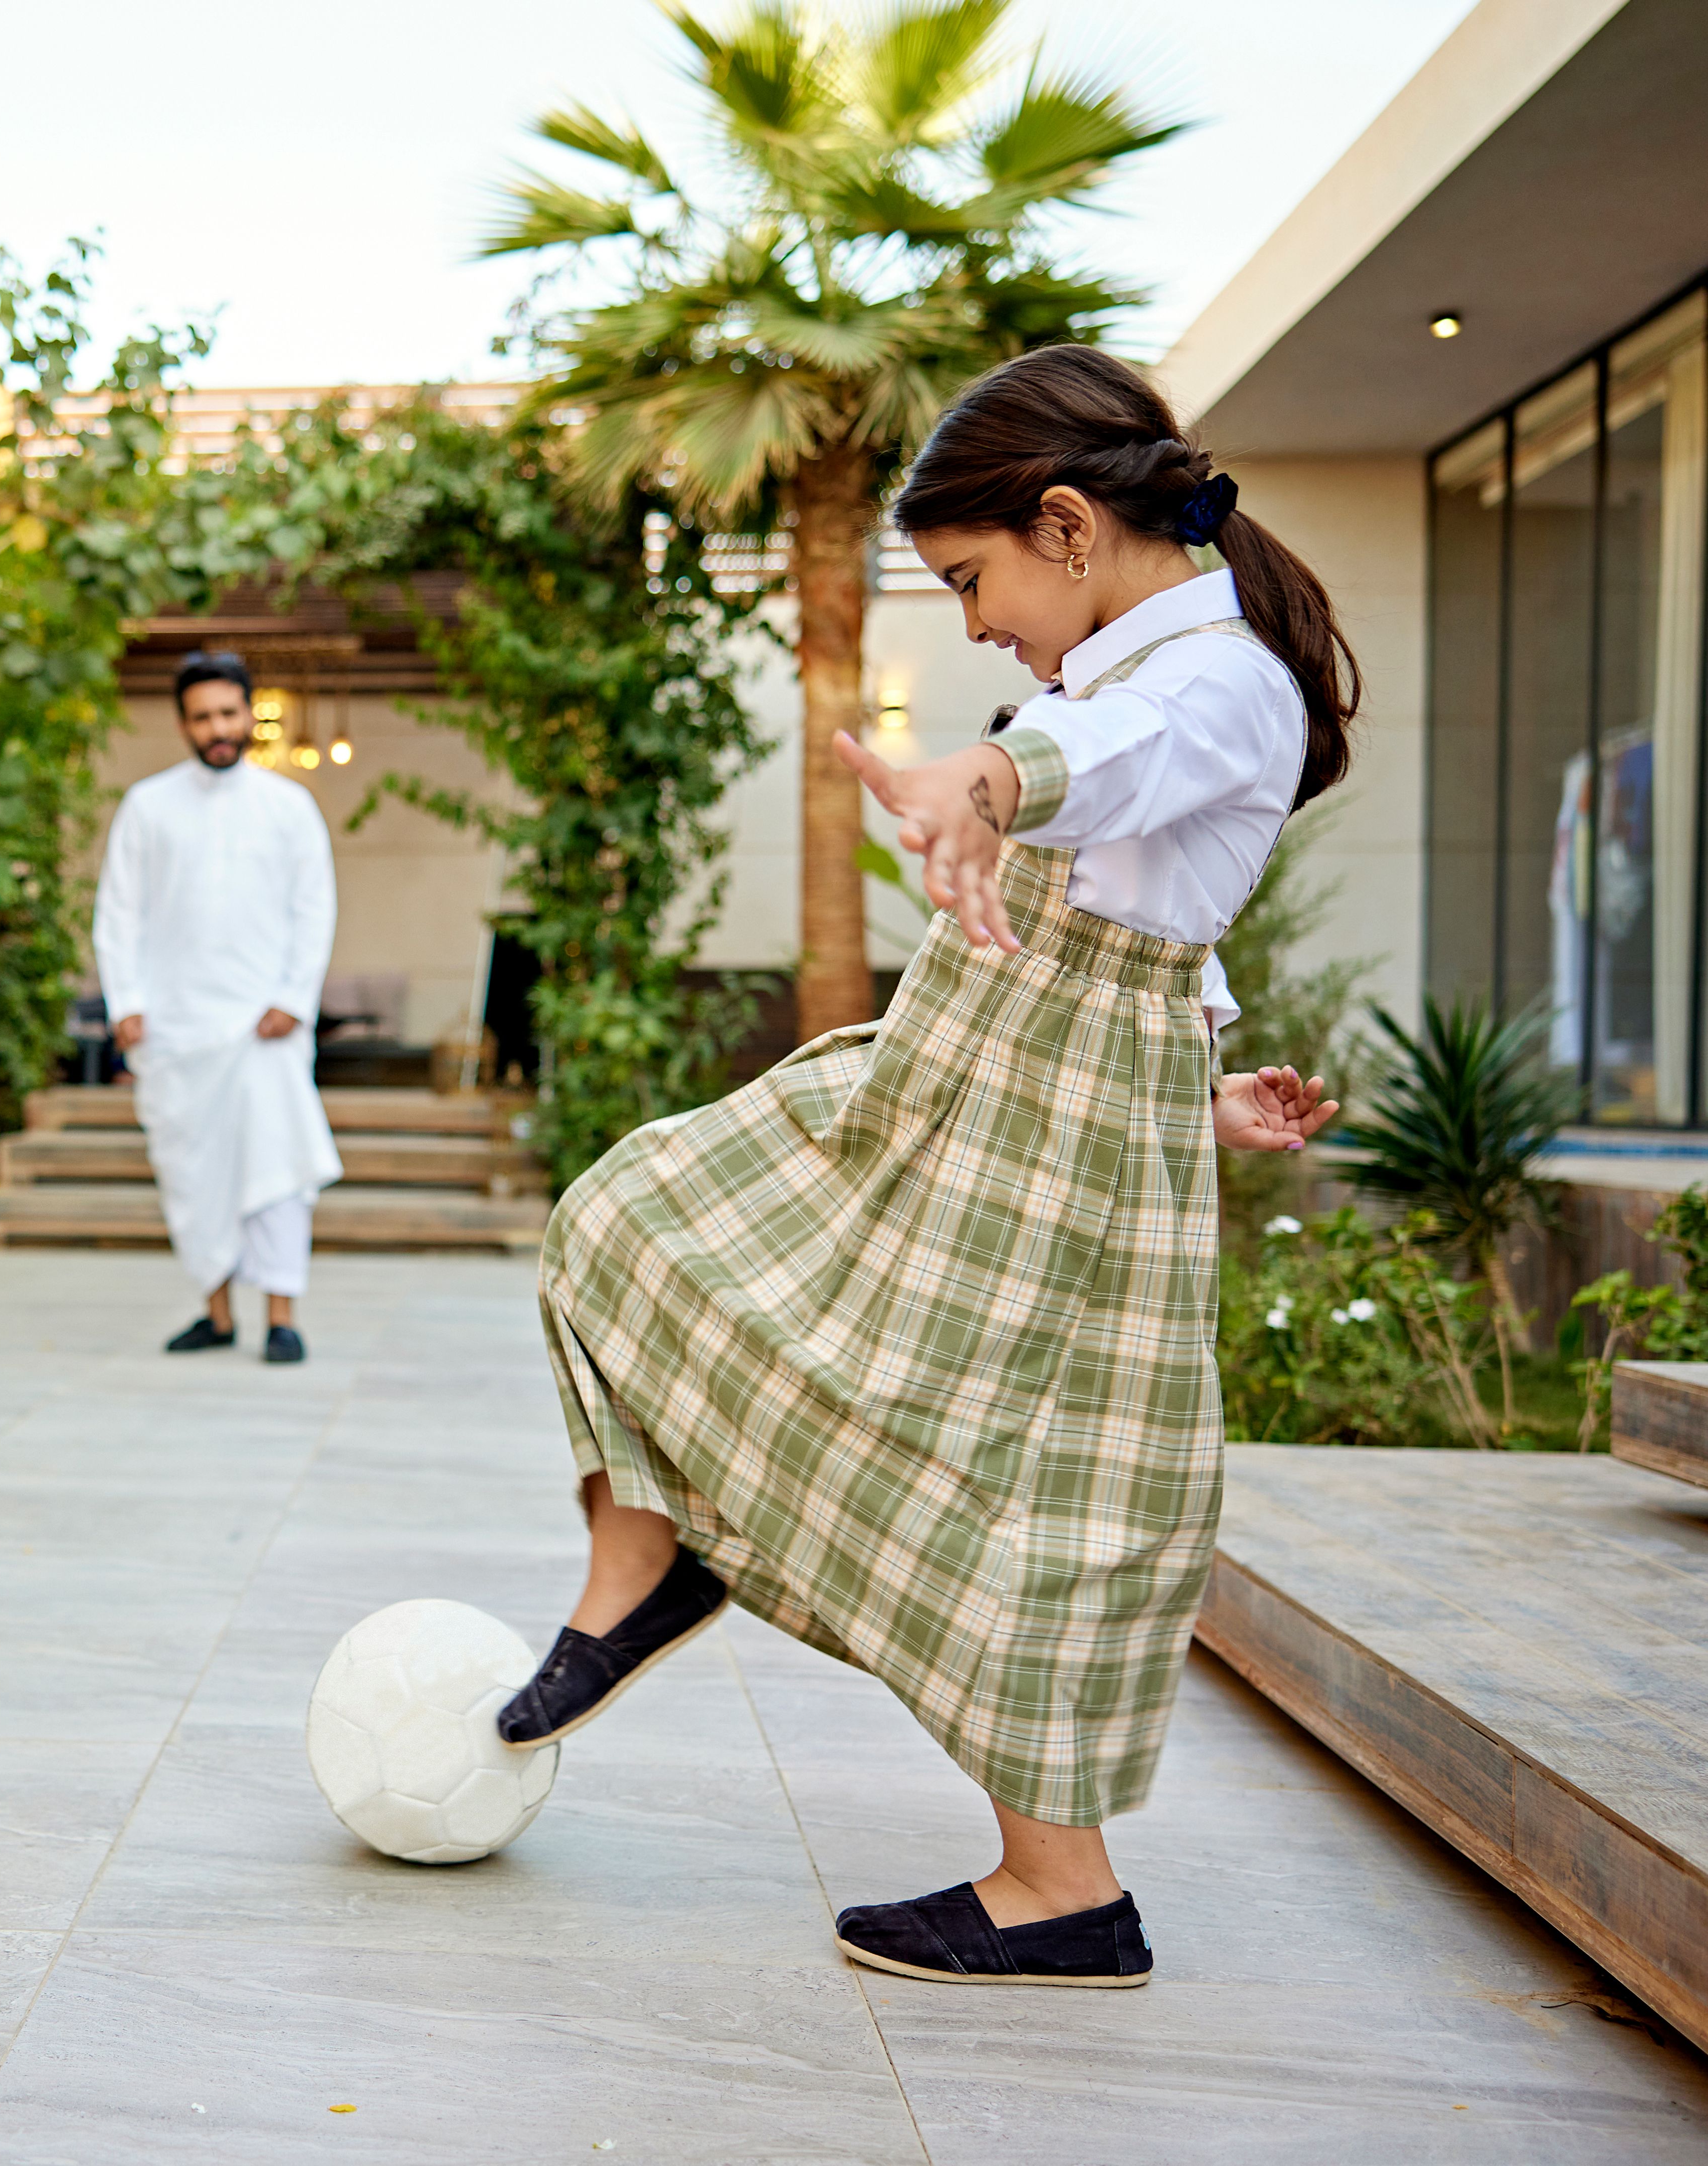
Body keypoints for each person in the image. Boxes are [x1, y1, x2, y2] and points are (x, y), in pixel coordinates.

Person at [498, 345, 1351, 1988]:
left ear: (1067, 526)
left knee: (1046, 1493)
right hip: (960, 1082)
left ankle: (1062, 1895)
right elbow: (1156, 895)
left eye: (967, 580)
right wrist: (1204, 1086)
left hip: (1050, 1138)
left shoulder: (1211, 679)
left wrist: (985, 773)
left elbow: (1112, 773)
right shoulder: (1115, 669)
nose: (968, 624)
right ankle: (642, 1562)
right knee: (624, 1221)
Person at [92, 650, 342, 1365]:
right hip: (177, 1027)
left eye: (228, 713)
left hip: (265, 1027)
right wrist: (127, 1003)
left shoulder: (289, 807)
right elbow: (119, 913)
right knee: (192, 1172)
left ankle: (282, 1317)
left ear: (249, 714)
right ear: (183, 725)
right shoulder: (148, 806)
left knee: (277, 1168)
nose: (217, 729)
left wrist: (292, 999)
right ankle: (217, 1313)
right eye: (202, 717)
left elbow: (314, 909)